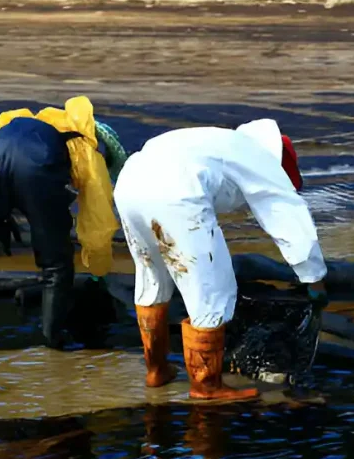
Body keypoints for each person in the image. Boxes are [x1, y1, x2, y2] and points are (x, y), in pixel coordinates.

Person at [113, 119, 327, 402]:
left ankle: (157, 371)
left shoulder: (220, 141)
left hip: (130, 183)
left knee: (152, 275)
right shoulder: (262, 160)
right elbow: (288, 217)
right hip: (176, 191)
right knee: (211, 288)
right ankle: (207, 387)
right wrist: (314, 278)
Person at [0, 96, 126, 359]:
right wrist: (98, 266)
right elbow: (97, 219)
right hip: (38, 165)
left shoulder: (22, 120)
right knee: (56, 266)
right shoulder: (86, 148)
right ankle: (54, 347)